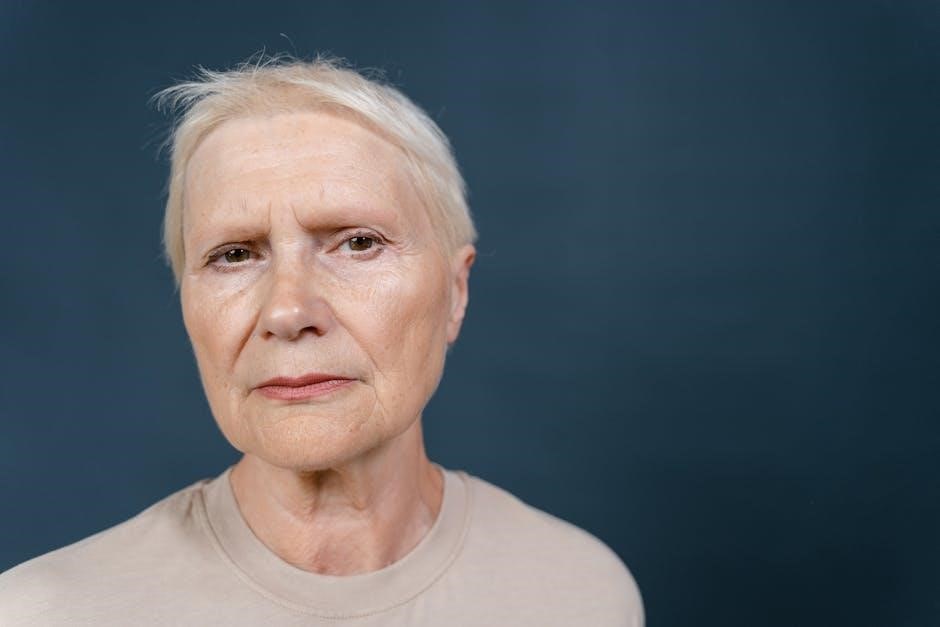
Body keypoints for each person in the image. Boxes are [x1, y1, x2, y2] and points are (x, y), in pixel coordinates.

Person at [0, 54, 644, 626]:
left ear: (455, 292)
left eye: (358, 243)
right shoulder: (42, 616)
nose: (288, 310)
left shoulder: (582, 593)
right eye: (233, 255)